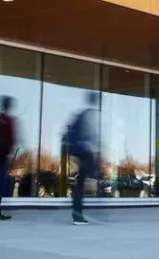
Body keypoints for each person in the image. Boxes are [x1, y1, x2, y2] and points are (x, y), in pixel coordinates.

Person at [66, 92, 99, 225]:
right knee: (86, 178)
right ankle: (78, 213)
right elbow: (90, 136)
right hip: (84, 151)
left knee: (81, 180)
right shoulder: (89, 115)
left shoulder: (82, 114)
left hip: (79, 151)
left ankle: (77, 211)